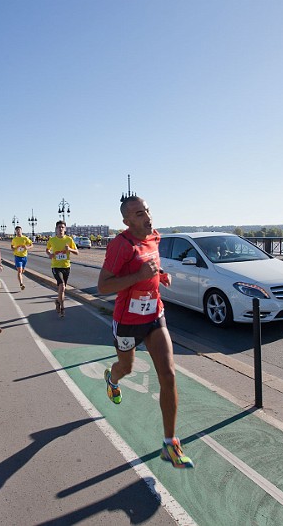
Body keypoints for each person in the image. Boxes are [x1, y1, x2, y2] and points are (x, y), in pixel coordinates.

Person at [97, 195, 194, 469]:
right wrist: (139, 276)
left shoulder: (155, 237)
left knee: (169, 373)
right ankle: (112, 378)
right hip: (127, 320)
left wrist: (159, 275)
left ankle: (170, 443)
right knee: (125, 367)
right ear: (127, 221)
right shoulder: (121, 245)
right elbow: (103, 286)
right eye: (139, 214)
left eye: (148, 210)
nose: (147, 217)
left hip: (154, 314)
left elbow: (150, 266)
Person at [46, 220, 79, 318]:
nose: (60, 229)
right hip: (56, 266)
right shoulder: (52, 240)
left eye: (62, 227)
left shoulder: (69, 239)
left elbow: (77, 252)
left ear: (65, 229)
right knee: (62, 286)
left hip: (66, 267)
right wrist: (50, 254)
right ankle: (62, 308)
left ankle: (57, 301)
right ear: (56, 229)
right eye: (59, 227)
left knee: (62, 289)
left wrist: (70, 250)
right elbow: (47, 249)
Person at [10, 226, 34, 290]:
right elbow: (12, 247)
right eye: (17, 230)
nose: (18, 231)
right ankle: (21, 284)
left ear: (21, 231)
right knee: (19, 271)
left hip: (24, 257)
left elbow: (32, 245)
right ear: (15, 231)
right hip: (17, 257)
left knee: (22, 270)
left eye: (19, 230)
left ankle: (23, 269)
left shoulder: (25, 238)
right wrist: (14, 248)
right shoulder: (14, 239)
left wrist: (27, 248)